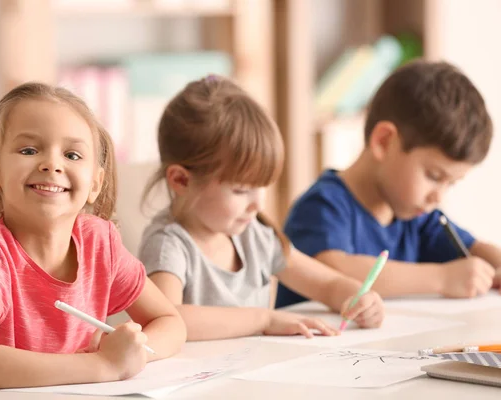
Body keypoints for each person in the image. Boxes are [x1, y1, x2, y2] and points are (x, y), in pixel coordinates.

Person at [0, 82, 186, 399]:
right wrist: (103, 365)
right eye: (29, 150)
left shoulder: (101, 243)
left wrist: (133, 355)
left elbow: (170, 322)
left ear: (95, 184)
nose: (52, 164)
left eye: (72, 154)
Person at [138, 75, 385, 342]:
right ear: (181, 180)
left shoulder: (253, 235)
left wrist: (358, 297)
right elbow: (169, 318)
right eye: (241, 190)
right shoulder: (169, 245)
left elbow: (327, 284)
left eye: (262, 187)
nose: (257, 204)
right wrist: (263, 318)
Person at [277, 60, 500, 308]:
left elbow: (475, 248)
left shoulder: (416, 217)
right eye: (434, 177)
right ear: (384, 142)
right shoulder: (323, 206)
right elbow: (331, 270)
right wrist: (442, 278)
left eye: (451, 184)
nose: (437, 197)